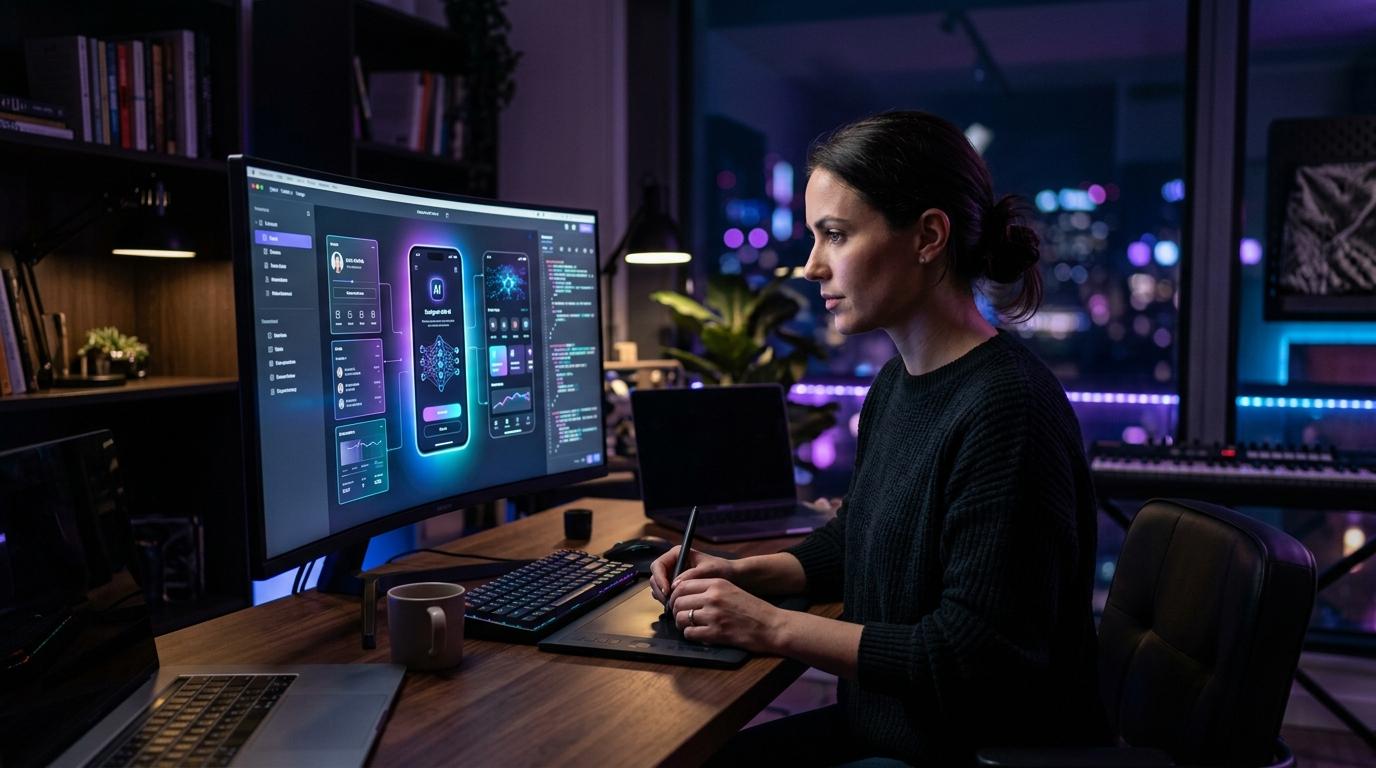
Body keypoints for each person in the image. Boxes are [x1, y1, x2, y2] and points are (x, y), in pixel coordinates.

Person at [650, 111, 1108, 766]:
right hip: (886, 730)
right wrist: (741, 575)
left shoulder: (1009, 409)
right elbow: (857, 536)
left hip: (958, 753)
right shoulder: (897, 383)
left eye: (835, 235)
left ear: (928, 236)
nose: (812, 266)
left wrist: (768, 625)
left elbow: (972, 657)